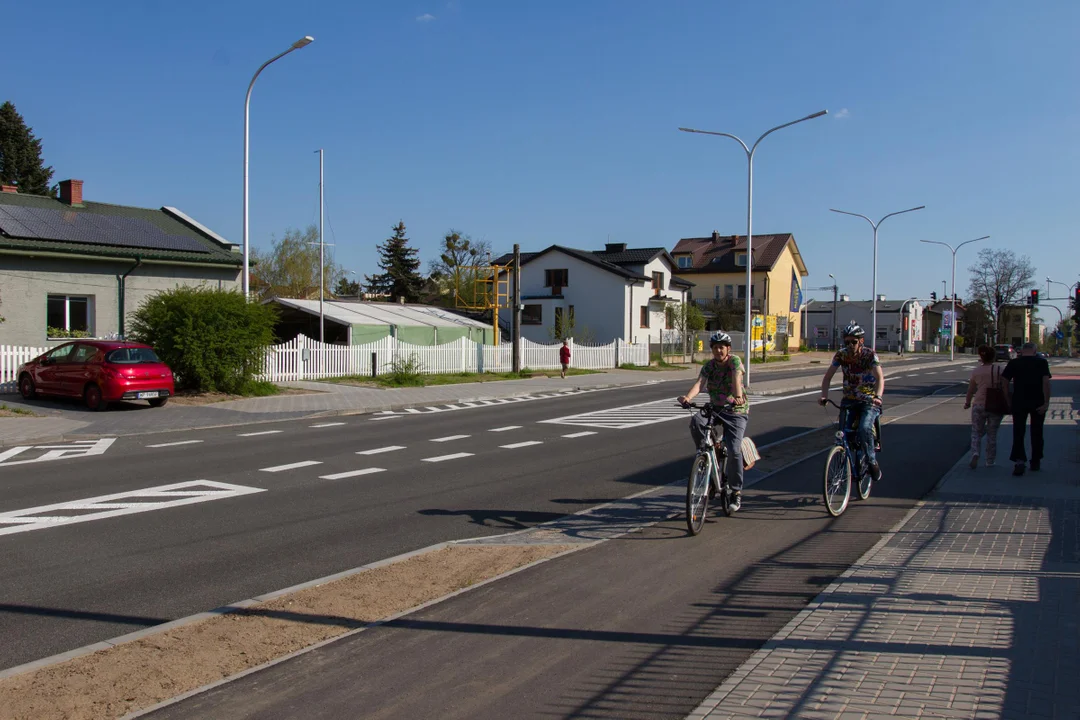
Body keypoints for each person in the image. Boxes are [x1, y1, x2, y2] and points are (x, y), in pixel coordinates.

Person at [678, 331, 749, 512]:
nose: (718, 351)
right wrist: (687, 397)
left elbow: (737, 378)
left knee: (734, 451)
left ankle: (735, 491)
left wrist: (738, 397)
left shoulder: (734, 362)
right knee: (697, 421)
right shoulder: (709, 366)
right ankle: (705, 454)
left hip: (735, 410)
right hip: (715, 408)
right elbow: (700, 383)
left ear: (728, 349)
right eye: (715, 347)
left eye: (722, 347)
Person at [818, 322, 885, 482]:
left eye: (853, 342)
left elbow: (880, 377)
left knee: (863, 429)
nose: (850, 345)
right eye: (846, 342)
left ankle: (871, 461)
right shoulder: (841, 355)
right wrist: (824, 396)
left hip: (868, 401)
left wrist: (878, 396)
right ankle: (843, 465)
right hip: (849, 400)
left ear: (861, 341)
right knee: (842, 435)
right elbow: (827, 377)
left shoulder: (870, 355)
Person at [1002, 341, 1052, 476]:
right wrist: (1046, 402)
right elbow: (1046, 382)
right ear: (1035, 351)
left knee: (1018, 431)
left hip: (1019, 401)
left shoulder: (1014, 363)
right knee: (1037, 431)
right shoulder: (1041, 363)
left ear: (1021, 351)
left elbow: (1004, 382)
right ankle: (1035, 460)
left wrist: (1008, 400)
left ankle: (1019, 461)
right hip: (1038, 401)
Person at [963, 345, 1007, 468]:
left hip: (979, 404)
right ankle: (990, 460)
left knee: (976, 432)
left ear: (981, 358)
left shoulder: (976, 371)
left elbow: (971, 390)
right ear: (993, 357)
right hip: (995, 405)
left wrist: (967, 403)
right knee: (992, 434)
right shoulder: (1000, 370)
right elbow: (1005, 387)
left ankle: (975, 453)